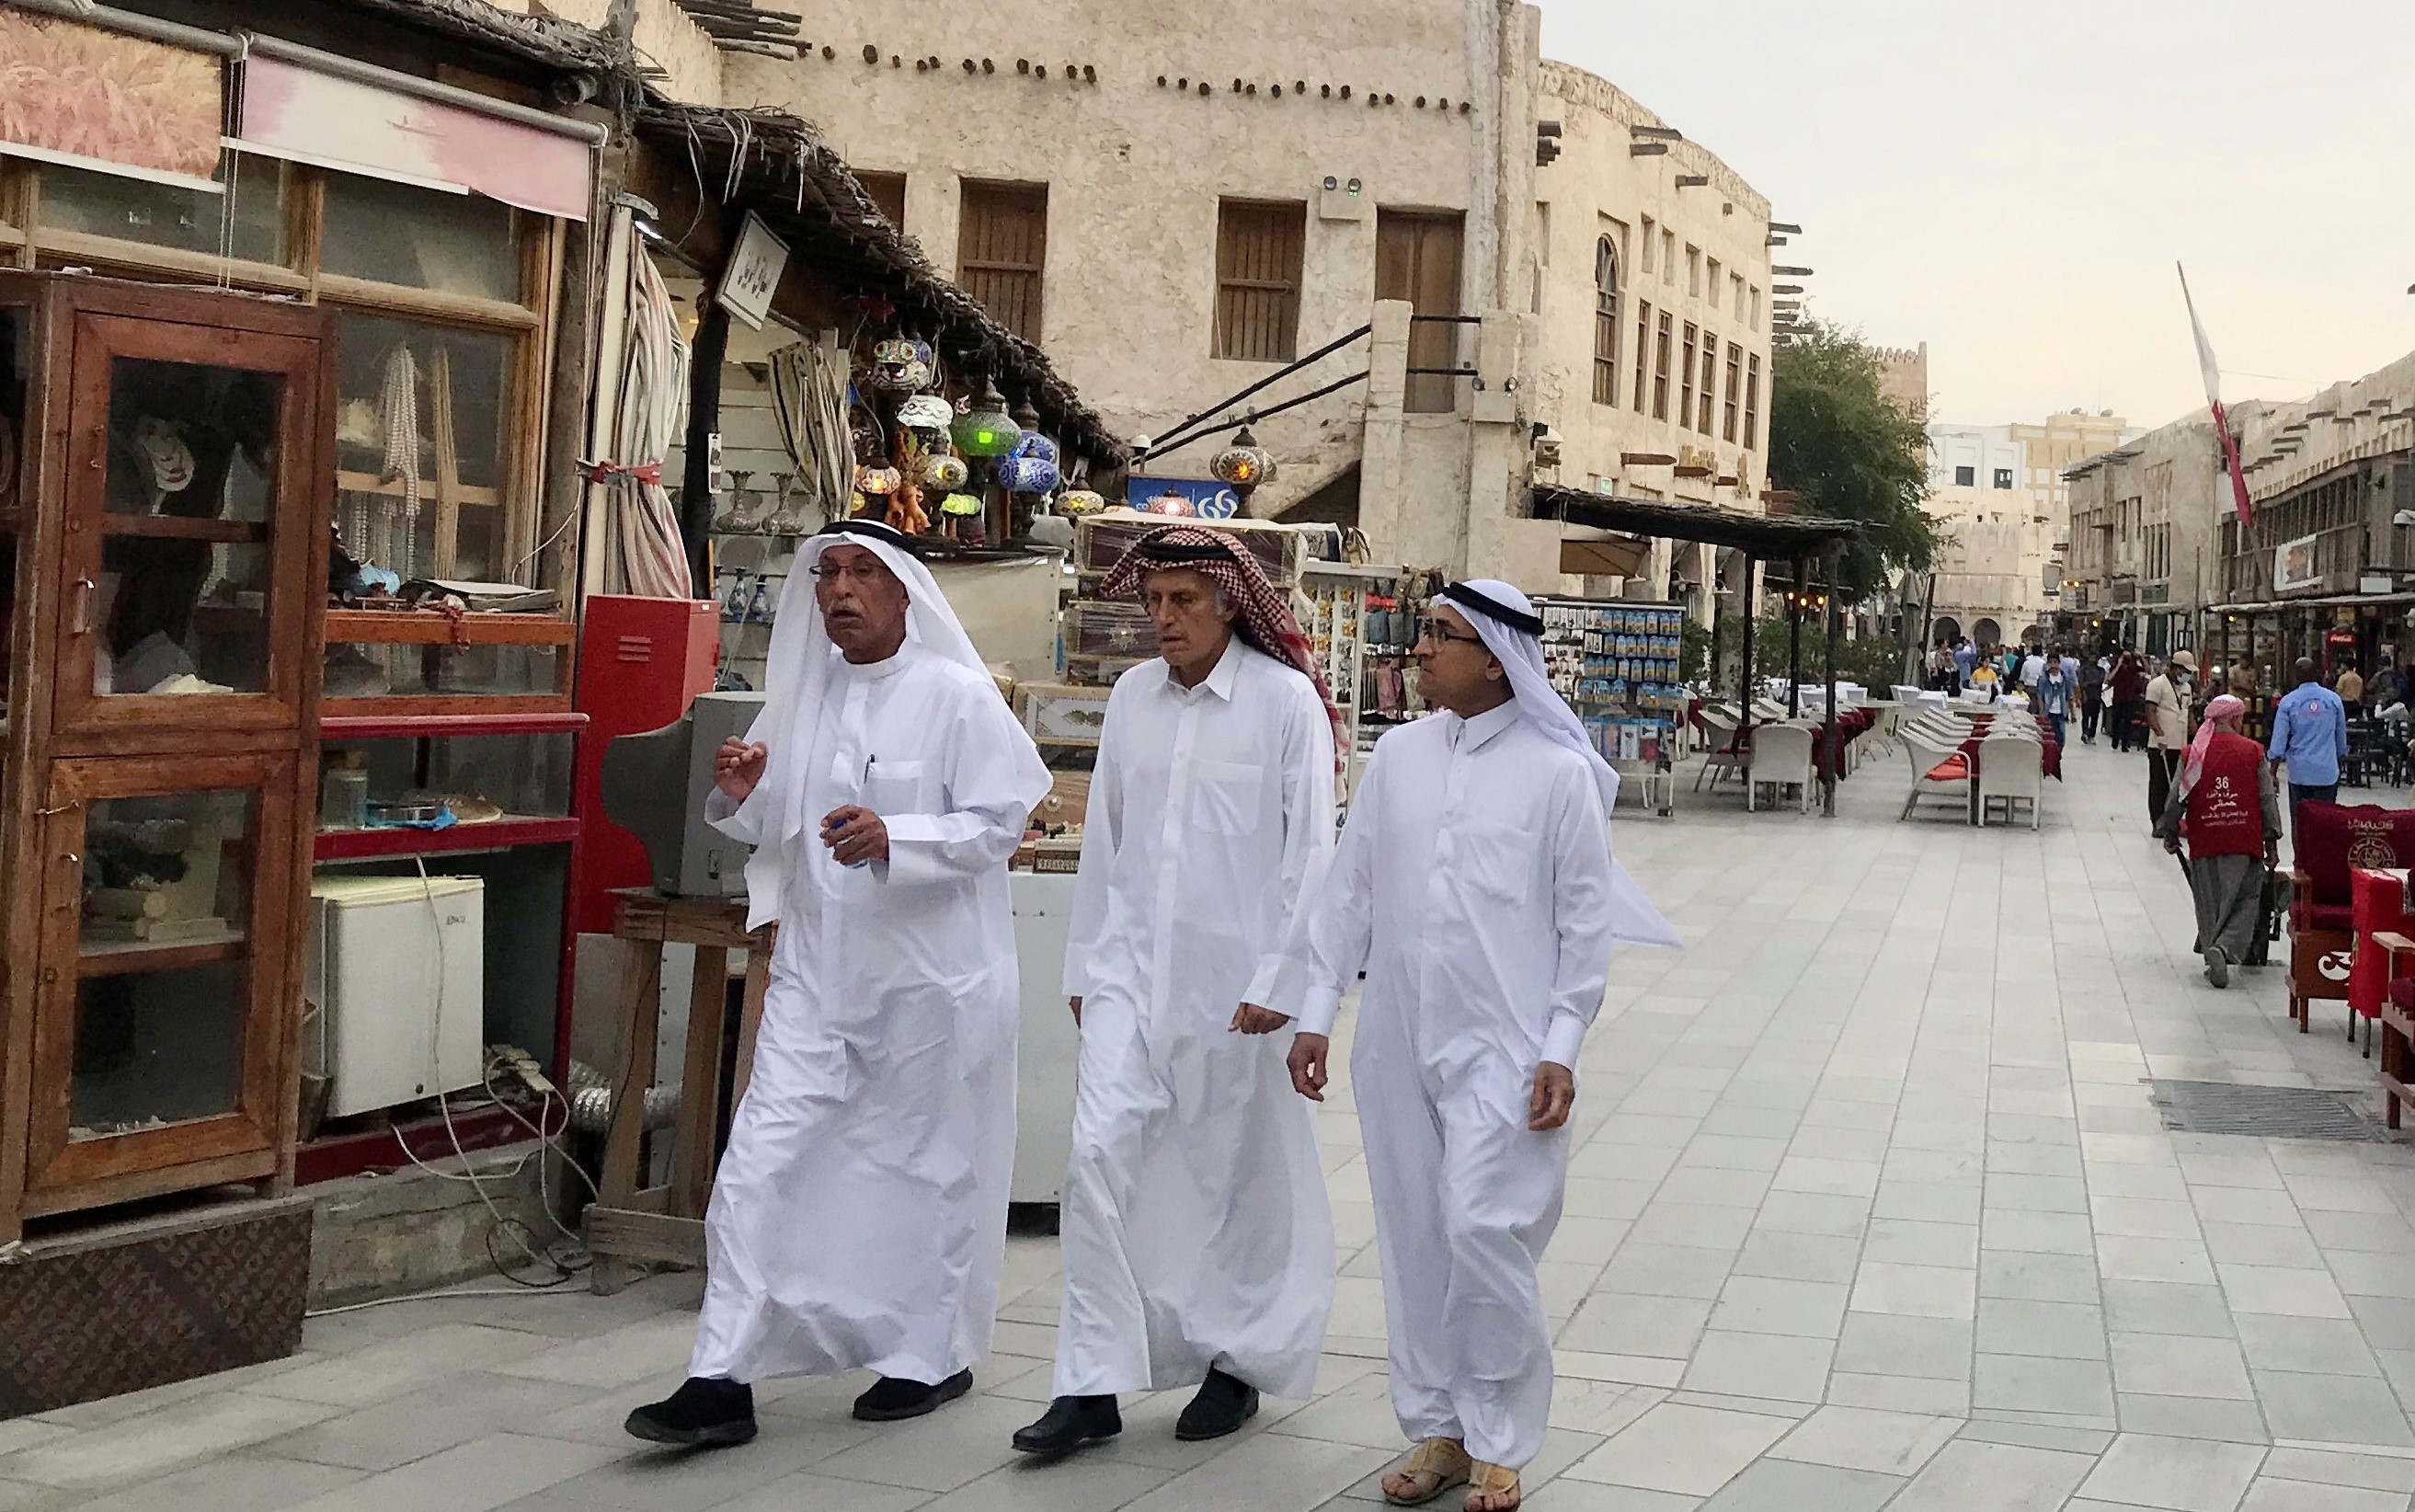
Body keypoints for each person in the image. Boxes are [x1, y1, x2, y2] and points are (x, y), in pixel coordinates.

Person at [625, 519, 1051, 1448]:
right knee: (759, 1165)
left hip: (931, 986)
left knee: (924, 1166)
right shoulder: (803, 699)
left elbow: (999, 822)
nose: (840, 591)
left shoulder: (955, 696)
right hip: (816, 981)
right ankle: (720, 1376)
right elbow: (772, 822)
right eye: (827, 574)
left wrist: (902, 836)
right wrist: (742, 791)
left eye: (863, 572)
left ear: (905, 592)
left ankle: (925, 1356)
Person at [1277, 581, 1680, 1512]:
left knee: (1481, 1229)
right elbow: (1350, 896)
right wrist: (1313, 1011)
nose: (1418, 650)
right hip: (1396, 1040)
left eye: (1438, 636)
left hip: (1506, 1046)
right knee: (1416, 1235)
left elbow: (1585, 929)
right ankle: (1440, 1430)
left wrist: (1563, 1046)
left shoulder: (1556, 773)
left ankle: (1502, 1437)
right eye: (1421, 633)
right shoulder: (1401, 758)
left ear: (1496, 656)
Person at [1015, 526, 1340, 1458]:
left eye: (1182, 602)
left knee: (1230, 1175)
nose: (1163, 619)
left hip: (1238, 989)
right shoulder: (1131, 699)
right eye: (1152, 602)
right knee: (1096, 1162)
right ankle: (1090, 1383)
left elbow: (1309, 852)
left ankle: (1233, 1361)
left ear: (1230, 603)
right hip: (1129, 978)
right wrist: (1085, 968)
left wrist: (1282, 978)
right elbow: (1107, 842)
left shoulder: (1284, 705)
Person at [2157, 695, 2282, 988]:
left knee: (2209, 901)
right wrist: (2272, 842)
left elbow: (2177, 796)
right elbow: (2266, 800)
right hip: (2244, 839)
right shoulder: (2253, 751)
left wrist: (2170, 831)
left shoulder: (2192, 753)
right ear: (2236, 719)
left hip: (2205, 838)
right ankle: (2223, 950)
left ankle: (2214, 950)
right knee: (2247, 899)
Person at [2268, 655, 2350, 820]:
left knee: (2300, 822)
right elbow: (2341, 740)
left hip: (2300, 773)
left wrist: (2273, 773)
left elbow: (2278, 743)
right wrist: (2338, 763)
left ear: (2296, 676)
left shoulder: (2288, 702)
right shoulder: (2333, 700)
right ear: (2316, 674)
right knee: (2325, 822)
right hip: (2327, 773)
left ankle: (2299, 847)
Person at [2145, 650, 2196, 822]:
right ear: (2175, 668)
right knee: (2159, 785)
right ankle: (2157, 821)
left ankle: (2173, 820)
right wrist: (2159, 733)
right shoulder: (2157, 685)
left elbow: (2188, 709)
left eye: (2189, 672)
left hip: (2179, 745)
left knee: (2176, 786)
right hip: (2160, 744)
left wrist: (2192, 725)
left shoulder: (2187, 687)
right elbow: (2150, 712)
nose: (2187, 675)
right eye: (2185, 671)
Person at [2109, 652, 2148, 752]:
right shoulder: (2118, 668)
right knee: (2116, 720)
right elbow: (2109, 678)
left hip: (2131, 698)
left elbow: (2147, 670)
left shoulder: (2134, 668)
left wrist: (2142, 658)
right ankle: (2115, 740)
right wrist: (2118, 664)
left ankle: (2125, 744)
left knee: (2128, 721)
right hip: (2118, 697)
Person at [2034, 652, 2072, 748]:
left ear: (2059, 663)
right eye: (2050, 662)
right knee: (2048, 738)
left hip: (2061, 712)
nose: (2053, 665)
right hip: (2049, 712)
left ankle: (2058, 756)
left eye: (2055, 662)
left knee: (2061, 739)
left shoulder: (2065, 678)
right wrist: (2041, 712)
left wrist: (2071, 712)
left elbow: (2069, 695)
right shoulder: (2043, 678)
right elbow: (2040, 696)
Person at [2078, 652, 2107, 745]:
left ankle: (2092, 735)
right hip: (2087, 695)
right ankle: (2085, 733)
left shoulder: (2101, 671)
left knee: (2095, 717)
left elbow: (2100, 681)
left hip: (2096, 696)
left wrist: (2089, 683)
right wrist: (2083, 693)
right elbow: (2082, 684)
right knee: (2085, 716)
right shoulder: (2083, 670)